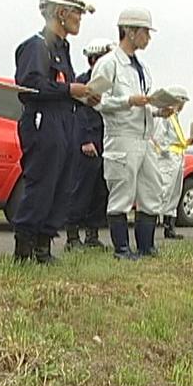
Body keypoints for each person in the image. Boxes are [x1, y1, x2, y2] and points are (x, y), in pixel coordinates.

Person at [12, 0, 98, 264]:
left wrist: (82, 94)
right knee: (42, 184)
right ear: (61, 13)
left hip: (66, 119)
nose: (79, 20)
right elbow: (30, 87)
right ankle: (24, 249)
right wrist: (69, 90)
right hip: (44, 120)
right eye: (77, 14)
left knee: (62, 186)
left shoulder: (62, 47)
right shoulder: (37, 45)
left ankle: (43, 246)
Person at [91, 6, 172, 260]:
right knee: (122, 193)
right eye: (145, 32)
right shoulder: (108, 64)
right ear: (129, 31)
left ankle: (146, 246)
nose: (148, 38)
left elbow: (144, 102)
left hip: (145, 137)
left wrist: (159, 110)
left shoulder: (142, 68)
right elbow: (96, 100)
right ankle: (122, 249)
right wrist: (128, 101)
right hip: (121, 136)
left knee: (151, 190)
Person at [65, 38, 115, 251]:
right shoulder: (83, 82)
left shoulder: (111, 84)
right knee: (81, 189)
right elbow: (77, 113)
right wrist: (85, 140)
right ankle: (72, 236)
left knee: (100, 190)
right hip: (87, 141)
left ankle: (92, 235)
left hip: (107, 141)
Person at [152, 85, 193, 240]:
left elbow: (174, 139)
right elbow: (158, 138)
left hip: (177, 157)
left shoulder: (174, 117)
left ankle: (169, 227)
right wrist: (165, 153)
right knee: (164, 191)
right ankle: (151, 227)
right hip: (168, 159)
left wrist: (187, 142)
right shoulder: (164, 116)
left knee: (174, 193)